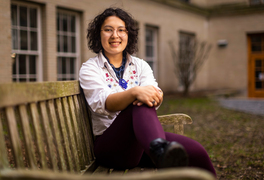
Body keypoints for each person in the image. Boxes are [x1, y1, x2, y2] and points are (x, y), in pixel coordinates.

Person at [79, 7, 216, 176]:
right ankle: (159, 150)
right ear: (98, 35)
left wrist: (149, 94)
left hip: (142, 142)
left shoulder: (140, 65)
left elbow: (152, 94)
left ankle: (160, 150)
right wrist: (135, 92)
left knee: (197, 152)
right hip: (111, 148)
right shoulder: (90, 68)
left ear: (128, 35)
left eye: (121, 30)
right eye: (108, 30)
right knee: (138, 99)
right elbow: (103, 103)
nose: (115, 35)